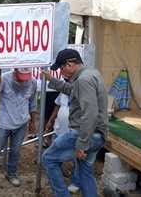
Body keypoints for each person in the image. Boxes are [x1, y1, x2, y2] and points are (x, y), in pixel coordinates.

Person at [41, 49, 108, 197]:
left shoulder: (83, 80)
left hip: (85, 135)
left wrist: (82, 144)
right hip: (97, 135)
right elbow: (73, 91)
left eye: (61, 68)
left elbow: (90, 114)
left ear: (70, 63)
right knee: (84, 170)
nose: (61, 71)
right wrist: (52, 80)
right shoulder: (90, 74)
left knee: (48, 158)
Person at [0, 68, 37, 187]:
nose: (23, 81)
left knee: (15, 151)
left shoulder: (32, 82)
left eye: (25, 78)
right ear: (15, 72)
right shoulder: (3, 79)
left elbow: (33, 102)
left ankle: (11, 173)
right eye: (20, 78)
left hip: (22, 122)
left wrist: (33, 122)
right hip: (4, 122)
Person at [45, 91, 80, 193]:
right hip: (59, 129)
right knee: (54, 157)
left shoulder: (83, 91)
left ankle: (76, 182)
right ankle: (57, 178)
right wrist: (51, 121)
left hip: (73, 133)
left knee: (76, 160)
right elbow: (57, 106)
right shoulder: (64, 91)